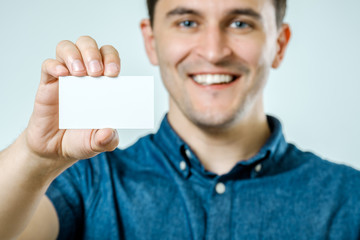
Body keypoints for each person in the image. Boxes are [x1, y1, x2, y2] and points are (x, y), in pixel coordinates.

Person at [0, 0, 360, 239]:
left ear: (279, 44)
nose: (214, 51)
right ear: (151, 41)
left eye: (240, 22)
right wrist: (35, 157)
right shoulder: (88, 179)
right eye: (188, 22)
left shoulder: (350, 197)